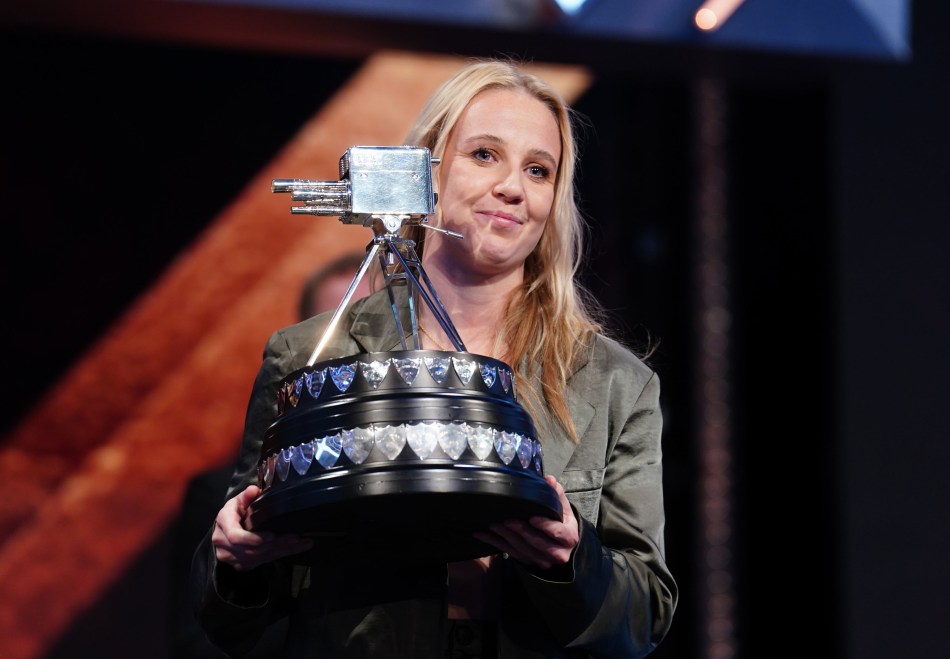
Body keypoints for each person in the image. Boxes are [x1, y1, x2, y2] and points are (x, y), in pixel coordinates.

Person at [190, 58, 678, 658]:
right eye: (484, 155)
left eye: (538, 169)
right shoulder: (308, 355)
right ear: (428, 169)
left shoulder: (616, 385)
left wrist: (570, 559)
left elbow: (643, 617)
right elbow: (227, 615)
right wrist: (238, 564)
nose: (512, 187)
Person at [169, 252, 368, 658]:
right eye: (340, 330)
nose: (360, 355)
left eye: (374, 328)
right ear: (303, 342)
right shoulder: (223, 495)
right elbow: (197, 643)